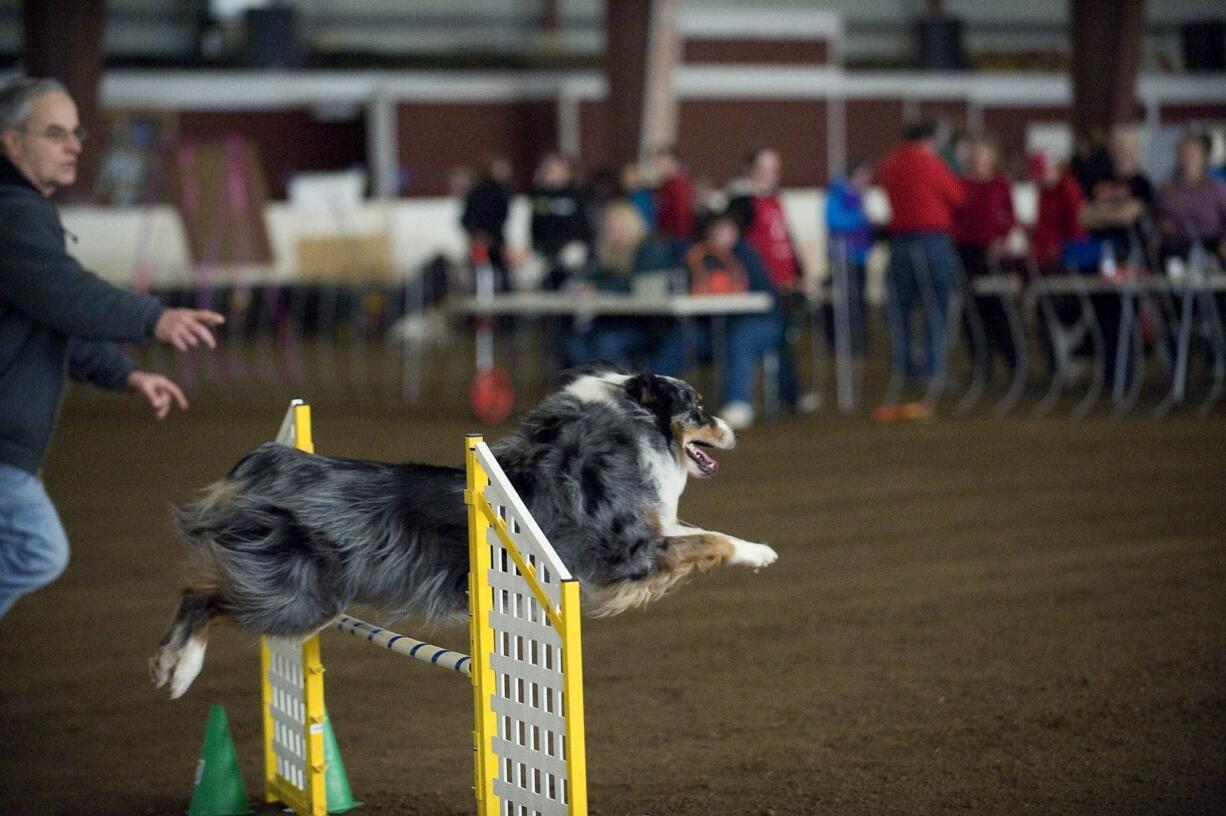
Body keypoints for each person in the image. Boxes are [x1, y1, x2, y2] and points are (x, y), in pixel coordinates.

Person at [0, 77, 225, 619]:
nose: (75, 144)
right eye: (55, 134)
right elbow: (65, 294)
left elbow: (50, 321)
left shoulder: (21, 213)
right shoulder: (14, 213)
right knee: (39, 549)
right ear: (9, 142)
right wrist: (156, 317)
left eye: (75, 132)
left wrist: (123, 374)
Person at [653, 211, 783, 430]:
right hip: (713, 324)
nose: (722, 236)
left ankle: (738, 403)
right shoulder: (695, 256)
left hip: (754, 322)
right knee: (684, 338)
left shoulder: (747, 256)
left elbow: (766, 296)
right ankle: (650, 395)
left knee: (740, 339)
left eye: (727, 230)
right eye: (716, 231)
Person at [877, 120, 966, 385]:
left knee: (900, 309)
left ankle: (904, 370)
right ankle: (932, 371)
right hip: (932, 241)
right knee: (936, 308)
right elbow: (957, 197)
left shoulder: (891, 162)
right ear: (929, 138)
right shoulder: (931, 162)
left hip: (900, 242)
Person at [728, 147, 810, 411]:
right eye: (764, 170)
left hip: (785, 286)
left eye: (774, 170)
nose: (770, 176)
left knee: (785, 338)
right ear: (750, 171)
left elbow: (785, 241)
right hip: (761, 288)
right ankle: (788, 395)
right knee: (774, 336)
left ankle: (791, 393)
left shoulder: (776, 201)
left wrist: (800, 274)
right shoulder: (742, 204)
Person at [565, 200, 680, 367]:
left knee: (607, 343)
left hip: (645, 324)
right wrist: (577, 284)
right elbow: (591, 274)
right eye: (607, 227)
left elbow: (636, 283)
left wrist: (597, 287)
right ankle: (596, 390)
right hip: (613, 321)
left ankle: (616, 390)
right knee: (576, 344)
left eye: (615, 226)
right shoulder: (607, 251)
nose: (610, 231)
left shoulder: (650, 248)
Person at [953, 134, 1017, 378]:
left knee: (998, 309)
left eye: (983, 152)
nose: (978, 157)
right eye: (975, 152)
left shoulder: (1000, 184)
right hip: (965, 252)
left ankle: (1013, 362)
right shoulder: (960, 183)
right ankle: (981, 365)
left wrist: (1002, 239)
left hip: (991, 252)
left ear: (992, 156)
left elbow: (1009, 216)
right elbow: (955, 217)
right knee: (970, 312)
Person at [824, 158, 874, 355]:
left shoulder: (857, 196)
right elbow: (832, 220)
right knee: (848, 302)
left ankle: (858, 342)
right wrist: (861, 220)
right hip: (844, 256)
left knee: (858, 301)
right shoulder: (839, 194)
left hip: (859, 256)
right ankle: (848, 343)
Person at [1155, 133, 1226, 265]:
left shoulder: (1216, 188)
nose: (1188, 159)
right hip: (1176, 247)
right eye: (1184, 155)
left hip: (1210, 246)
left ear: (1203, 157)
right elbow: (1157, 218)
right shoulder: (1168, 188)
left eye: (1192, 155)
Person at [529, 151, 590, 289]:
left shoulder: (576, 196)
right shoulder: (538, 197)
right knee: (529, 270)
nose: (554, 174)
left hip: (570, 246)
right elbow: (535, 226)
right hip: (543, 249)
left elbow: (582, 226)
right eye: (550, 169)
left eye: (558, 169)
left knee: (574, 256)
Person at [460, 154, 513, 289]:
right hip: (484, 241)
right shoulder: (489, 192)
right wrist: (479, 235)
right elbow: (467, 218)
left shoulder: (501, 191)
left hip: (490, 240)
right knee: (485, 277)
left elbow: (465, 219)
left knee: (492, 276)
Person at [653, 145, 695, 245]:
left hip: (675, 237)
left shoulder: (678, 185)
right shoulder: (666, 184)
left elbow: (681, 214)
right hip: (669, 234)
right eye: (658, 163)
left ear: (673, 162)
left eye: (662, 163)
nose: (659, 167)